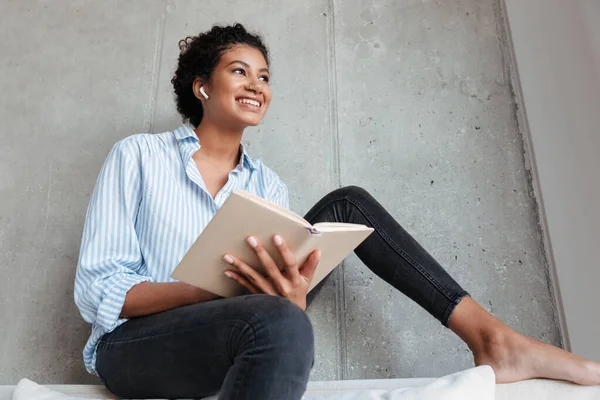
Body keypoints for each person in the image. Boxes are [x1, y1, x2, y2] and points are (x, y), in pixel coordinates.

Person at [74, 23, 600, 400]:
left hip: (242, 331)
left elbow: (277, 310)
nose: (258, 85)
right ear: (202, 85)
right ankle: (496, 343)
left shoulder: (266, 185)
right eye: (241, 71)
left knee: (346, 207)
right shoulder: (137, 157)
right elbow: (98, 290)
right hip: (137, 349)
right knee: (274, 319)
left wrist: (292, 297)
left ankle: (493, 340)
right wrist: (207, 290)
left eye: (264, 76)